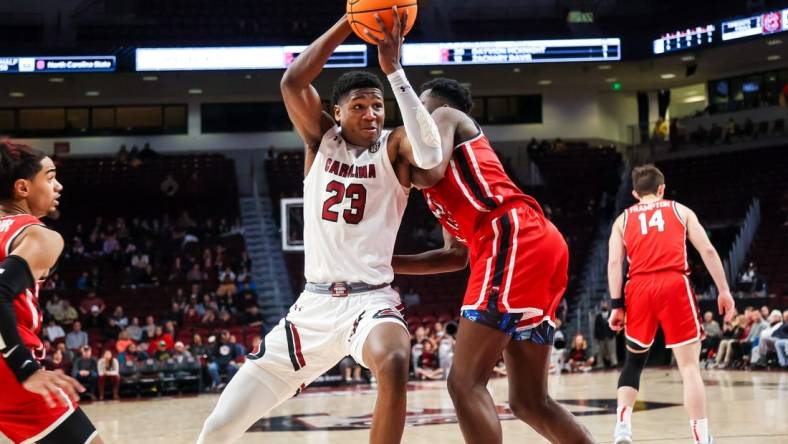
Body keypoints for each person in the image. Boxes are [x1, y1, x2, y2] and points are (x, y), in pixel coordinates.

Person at [197, 8, 443, 443]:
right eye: (359, 106)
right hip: (310, 310)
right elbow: (292, 83)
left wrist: (396, 72)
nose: (371, 115)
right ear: (337, 112)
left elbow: (429, 154)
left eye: (377, 106)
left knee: (393, 359)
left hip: (370, 303)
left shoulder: (396, 146)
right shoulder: (321, 140)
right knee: (218, 428)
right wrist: (351, 22)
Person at [392, 78, 593, 443]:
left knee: (464, 382)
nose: (416, 115)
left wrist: (389, 162)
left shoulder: (447, 116)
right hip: (527, 243)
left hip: (511, 235)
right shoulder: (439, 193)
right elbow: (454, 256)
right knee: (530, 401)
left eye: (421, 107)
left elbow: (430, 170)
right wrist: (385, 265)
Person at [606, 164, 735, 444]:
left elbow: (615, 263)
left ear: (634, 193)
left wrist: (616, 304)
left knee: (633, 363)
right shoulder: (681, 210)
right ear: (662, 189)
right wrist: (724, 290)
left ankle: (622, 428)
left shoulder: (622, 220)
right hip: (674, 284)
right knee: (689, 368)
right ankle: (701, 436)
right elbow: (708, 250)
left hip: (638, 287)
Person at [594, 301, 618, 368]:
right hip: (601, 336)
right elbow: (596, 327)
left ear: (607, 305)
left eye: (605, 304)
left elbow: (615, 324)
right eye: (602, 304)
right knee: (600, 351)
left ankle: (614, 362)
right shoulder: (598, 316)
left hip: (610, 335)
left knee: (612, 350)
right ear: (601, 306)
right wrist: (596, 336)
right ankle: (600, 364)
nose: (604, 306)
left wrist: (614, 333)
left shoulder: (611, 315)